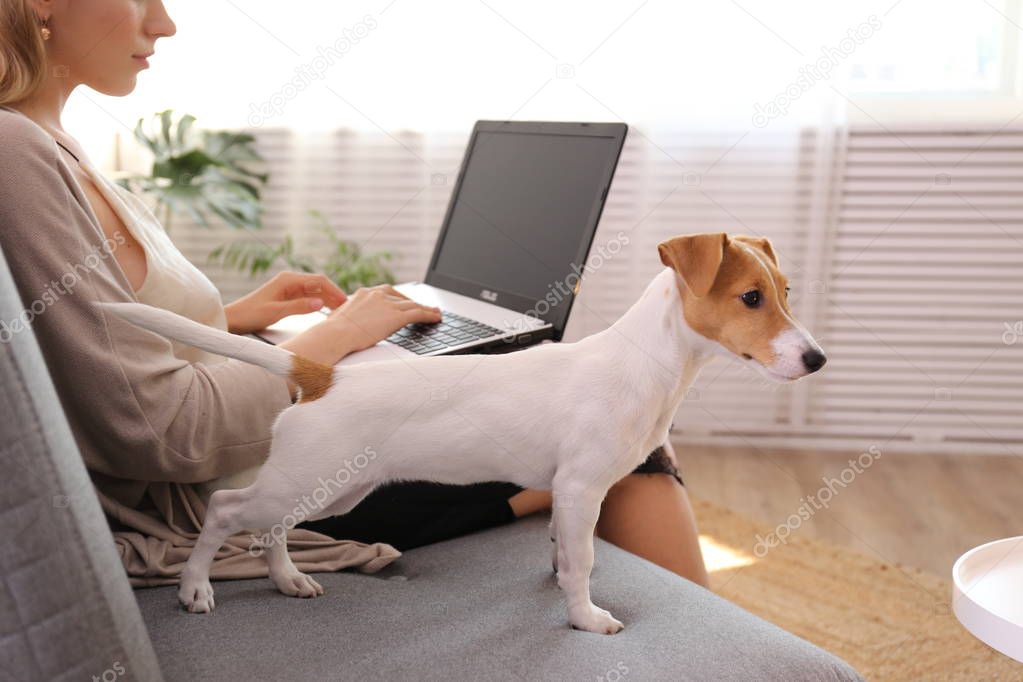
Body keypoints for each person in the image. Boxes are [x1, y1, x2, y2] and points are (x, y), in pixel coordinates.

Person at [0, 0, 708, 588]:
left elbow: (95, 347)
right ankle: (698, 655)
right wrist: (332, 342)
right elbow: (159, 433)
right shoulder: (16, 151)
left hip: (235, 454)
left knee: (579, 422)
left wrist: (238, 316)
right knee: (624, 448)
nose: (164, 24)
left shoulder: (50, 138)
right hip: (217, 489)